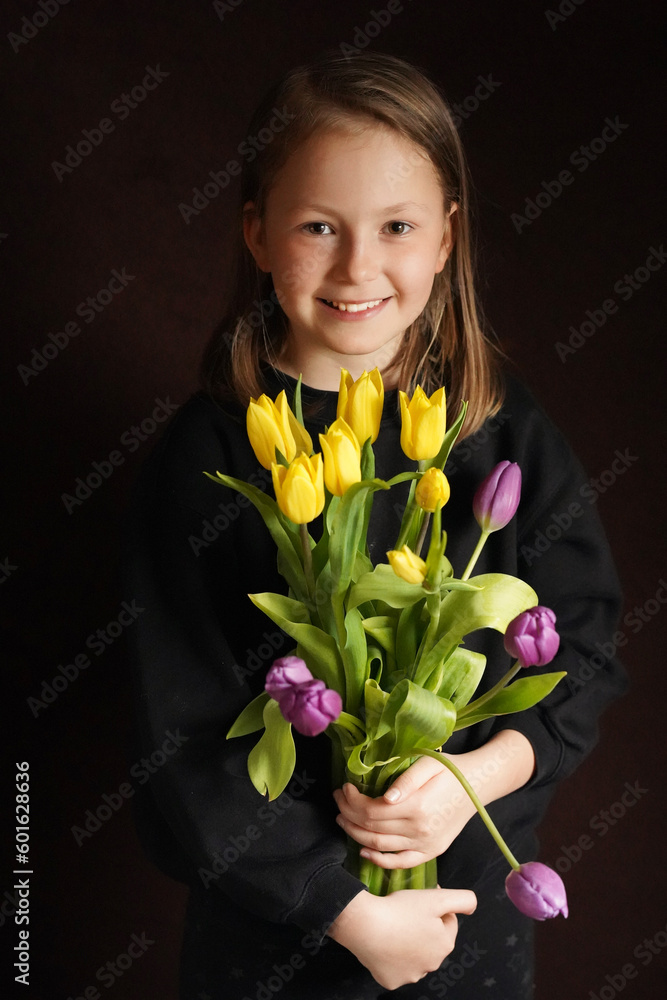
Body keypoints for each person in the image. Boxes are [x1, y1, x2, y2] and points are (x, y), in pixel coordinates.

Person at [123, 51, 627, 999]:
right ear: (258, 235)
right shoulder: (206, 457)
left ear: (446, 237)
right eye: (319, 226)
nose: (358, 267)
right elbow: (178, 737)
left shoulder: (491, 423)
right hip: (277, 934)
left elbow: (585, 640)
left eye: (395, 226)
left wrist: (477, 775)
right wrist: (348, 911)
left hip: (465, 916)